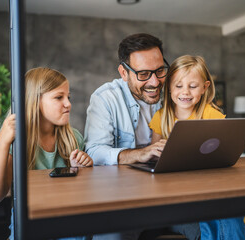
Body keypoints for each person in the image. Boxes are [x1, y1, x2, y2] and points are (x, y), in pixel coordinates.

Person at [85, 33, 200, 240]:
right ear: (124, 72)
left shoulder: (175, 92)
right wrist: (139, 154)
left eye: (159, 71)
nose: (155, 82)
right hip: (123, 201)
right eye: (144, 74)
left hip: (171, 196)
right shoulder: (105, 98)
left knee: (212, 224)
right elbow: (94, 151)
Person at [0, 67, 93, 240]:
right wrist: (3, 142)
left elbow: (86, 196)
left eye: (68, 97)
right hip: (30, 229)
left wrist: (82, 171)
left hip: (69, 227)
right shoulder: (16, 143)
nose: (68, 104)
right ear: (34, 101)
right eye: (59, 97)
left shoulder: (73, 138)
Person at [149, 55, 245, 240]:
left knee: (229, 214)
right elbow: (153, 153)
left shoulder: (211, 114)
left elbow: (228, 147)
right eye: (178, 86)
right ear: (169, 87)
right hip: (176, 189)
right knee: (208, 219)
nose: (185, 92)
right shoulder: (161, 117)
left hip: (209, 185)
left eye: (192, 86)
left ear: (204, 87)